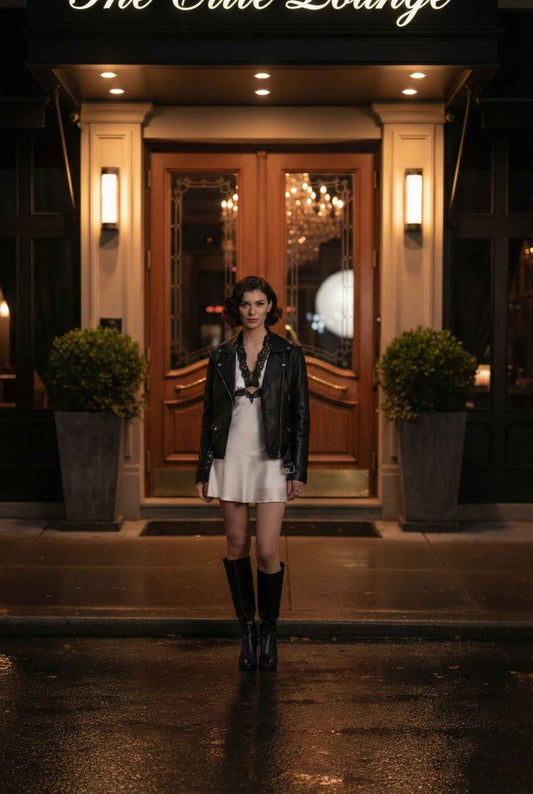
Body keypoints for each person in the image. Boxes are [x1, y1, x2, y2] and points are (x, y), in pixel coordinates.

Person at [196, 275, 310, 672]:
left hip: (272, 459)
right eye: (245, 304)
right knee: (236, 545)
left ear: (270, 308)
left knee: (266, 551)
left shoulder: (288, 354)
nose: (252, 311)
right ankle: (246, 632)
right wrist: (203, 468)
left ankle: (269, 631)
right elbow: (210, 413)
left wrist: (297, 468)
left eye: (260, 304)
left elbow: (299, 416)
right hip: (230, 457)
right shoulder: (221, 356)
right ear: (237, 308)